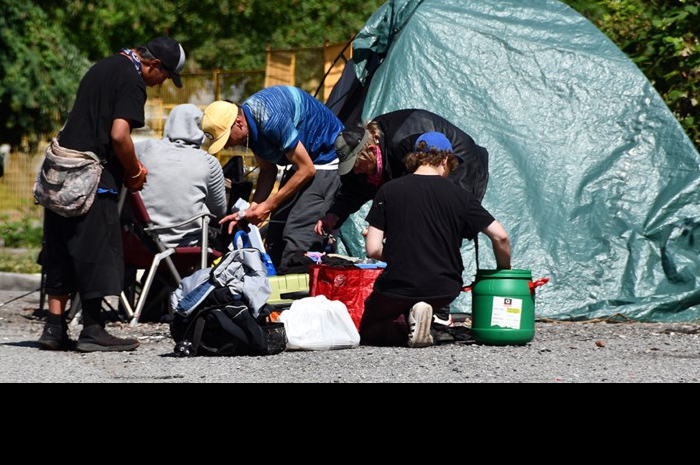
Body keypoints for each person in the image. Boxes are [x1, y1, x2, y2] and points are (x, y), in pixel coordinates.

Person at [38, 36, 186, 352]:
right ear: (154, 64)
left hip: (61, 172)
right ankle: (93, 329)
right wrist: (134, 172)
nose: (161, 84)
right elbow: (119, 135)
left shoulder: (103, 66)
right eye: (164, 76)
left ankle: (53, 328)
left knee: (60, 247)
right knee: (97, 249)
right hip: (93, 176)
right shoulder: (132, 80)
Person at [358, 132, 511, 348]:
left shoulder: (389, 190)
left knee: (368, 331)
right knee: (417, 299)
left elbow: (373, 249)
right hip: (444, 288)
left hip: (398, 287)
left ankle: (409, 321)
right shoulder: (461, 196)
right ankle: (424, 321)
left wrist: (397, 255)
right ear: (446, 159)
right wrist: (504, 270)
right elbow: (501, 236)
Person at [201, 85, 343, 274]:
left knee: (296, 238)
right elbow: (268, 170)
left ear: (239, 123)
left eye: (226, 139)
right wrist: (253, 209)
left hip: (327, 162)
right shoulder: (250, 128)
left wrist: (268, 206)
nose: (226, 146)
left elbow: (307, 169)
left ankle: (300, 298)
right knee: (275, 238)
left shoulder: (269, 119)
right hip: (303, 163)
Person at [316, 108, 490, 238]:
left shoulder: (402, 144)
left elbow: (415, 193)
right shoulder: (362, 160)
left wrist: (382, 226)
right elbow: (354, 190)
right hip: (417, 176)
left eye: (356, 164)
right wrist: (334, 214)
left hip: (457, 163)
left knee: (438, 224)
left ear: (370, 149)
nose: (355, 170)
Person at [135, 103, 227, 251]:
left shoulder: (143, 150)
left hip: (141, 244)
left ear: (170, 122)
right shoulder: (209, 162)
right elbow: (218, 212)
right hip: (187, 248)